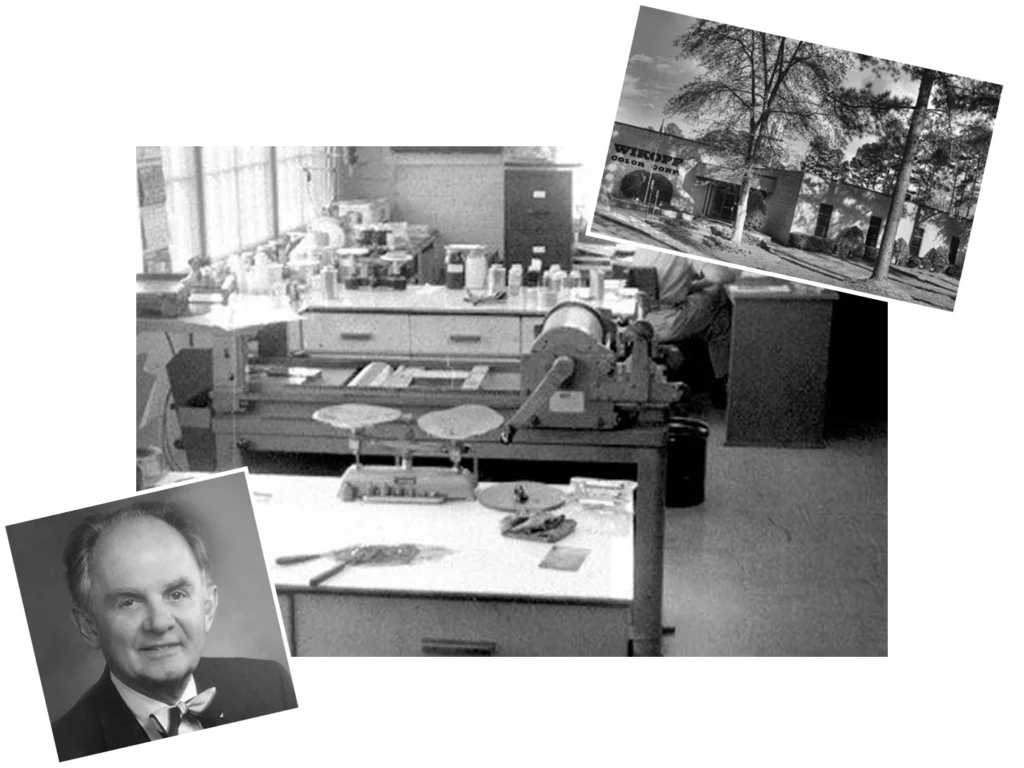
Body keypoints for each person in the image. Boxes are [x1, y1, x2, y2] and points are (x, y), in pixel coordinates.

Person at [51, 504, 296, 761]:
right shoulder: (64, 750)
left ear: (208, 609)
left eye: (176, 594)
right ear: (90, 628)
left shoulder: (271, 687)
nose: (159, 623)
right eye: (129, 602)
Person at [629, 248, 740, 407]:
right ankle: (724, 385)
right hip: (667, 320)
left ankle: (715, 380)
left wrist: (699, 284)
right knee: (719, 304)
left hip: (644, 315)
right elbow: (719, 276)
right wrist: (736, 271)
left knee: (710, 303)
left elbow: (670, 286)